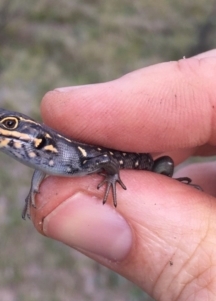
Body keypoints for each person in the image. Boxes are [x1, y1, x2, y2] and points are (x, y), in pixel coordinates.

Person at [30, 49, 216, 300]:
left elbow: (107, 160)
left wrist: (112, 177)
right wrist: (34, 189)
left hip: (146, 165)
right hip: (127, 164)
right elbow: (59, 164)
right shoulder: (57, 155)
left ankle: (166, 183)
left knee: (166, 163)